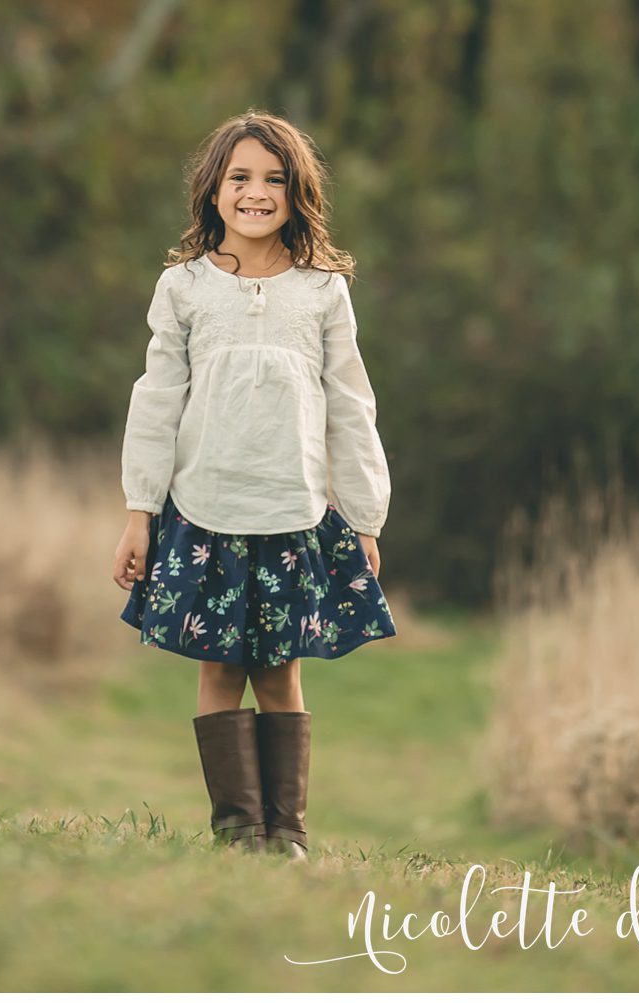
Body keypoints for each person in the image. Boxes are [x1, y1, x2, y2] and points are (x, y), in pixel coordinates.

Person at [113, 110, 395, 860]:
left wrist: (364, 515)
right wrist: (140, 511)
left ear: (297, 194)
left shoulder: (323, 290)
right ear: (213, 191)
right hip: (204, 509)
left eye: (273, 179)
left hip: (293, 510)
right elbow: (156, 397)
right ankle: (238, 830)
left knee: (279, 671)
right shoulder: (184, 287)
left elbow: (350, 403)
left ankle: (287, 833)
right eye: (240, 177)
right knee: (221, 666)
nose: (256, 192)